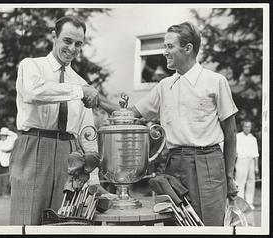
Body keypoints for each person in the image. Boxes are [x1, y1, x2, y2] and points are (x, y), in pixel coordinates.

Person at [99, 21, 238, 226]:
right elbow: (129, 115)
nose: (164, 52)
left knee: (208, 226)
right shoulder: (164, 86)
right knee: (175, 225)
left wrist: (229, 176)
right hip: (174, 165)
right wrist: (96, 98)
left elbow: (231, 132)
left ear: (188, 48)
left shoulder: (215, 81)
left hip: (208, 164)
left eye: (169, 46)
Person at [10, 16, 107, 225]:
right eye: (67, 41)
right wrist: (79, 91)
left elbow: (87, 133)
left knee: (63, 222)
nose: (72, 48)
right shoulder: (32, 66)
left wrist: (94, 177)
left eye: (78, 44)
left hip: (70, 155)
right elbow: (33, 92)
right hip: (33, 147)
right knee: (26, 220)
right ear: (54, 37)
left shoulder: (81, 83)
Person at [235, 120, 259, 210]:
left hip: (251, 161)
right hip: (241, 160)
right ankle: (240, 204)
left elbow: (256, 154)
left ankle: (249, 203)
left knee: (250, 182)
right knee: (240, 182)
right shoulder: (238, 136)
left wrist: (256, 166)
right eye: (245, 126)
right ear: (243, 127)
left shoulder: (253, 139)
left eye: (249, 127)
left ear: (251, 128)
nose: (247, 128)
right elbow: (234, 151)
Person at [0, 127, 18, 197]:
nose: (2, 136)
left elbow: (15, 136)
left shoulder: (10, 141)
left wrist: (8, 132)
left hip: (6, 162)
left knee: (6, 179)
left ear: (7, 135)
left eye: (4, 135)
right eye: (2, 135)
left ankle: (5, 193)